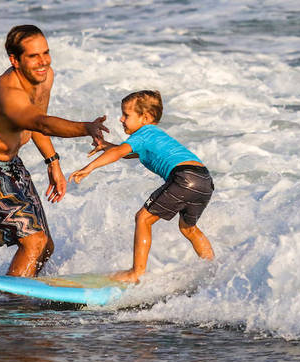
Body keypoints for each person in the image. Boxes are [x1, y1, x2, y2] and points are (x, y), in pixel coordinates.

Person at [0, 24, 108, 277]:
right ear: (15, 60)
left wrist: (53, 162)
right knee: (33, 241)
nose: (43, 61)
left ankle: (24, 291)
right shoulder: (7, 91)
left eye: (45, 53)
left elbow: (37, 120)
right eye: (33, 56)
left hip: (10, 163)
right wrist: (85, 128)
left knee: (45, 245)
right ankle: (16, 306)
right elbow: (39, 123)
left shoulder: (45, 76)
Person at [68, 90, 214, 283]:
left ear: (145, 117)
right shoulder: (155, 136)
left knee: (143, 218)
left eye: (126, 115)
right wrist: (105, 145)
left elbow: (121, 152)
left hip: (183, 177)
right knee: (188, 228)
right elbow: (129, 153)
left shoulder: (143, 133)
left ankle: (136, 273)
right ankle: (212, 269)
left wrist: (89, 168)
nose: (121, 119)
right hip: (204, 180)